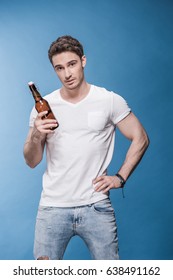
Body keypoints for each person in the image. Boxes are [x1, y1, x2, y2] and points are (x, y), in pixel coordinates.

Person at [23, 35, 149, 260]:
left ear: (83, 61)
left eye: (71, 64)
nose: (67, 74)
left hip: (96, 206)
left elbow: (141, 138)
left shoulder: (109, 100)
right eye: (59, 68)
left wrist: (120, 177)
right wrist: (35, 133)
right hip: (52, 207)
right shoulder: (44, 107)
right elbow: (31, 161)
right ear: (54, 70)